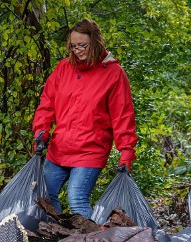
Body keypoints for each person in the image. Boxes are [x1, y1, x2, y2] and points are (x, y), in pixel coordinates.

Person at [32, 18, 137, 219]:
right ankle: (59, 241)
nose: (78, 50)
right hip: (60, 147)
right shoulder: (64, 68)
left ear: (96, 42)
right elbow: (47, 104)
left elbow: (122, 115)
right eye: (73, 46)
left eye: (83, 45)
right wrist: (41, 131)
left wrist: (126, 152)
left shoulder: (113, 73)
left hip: (91, 149)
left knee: (77, 198)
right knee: (45, 196)